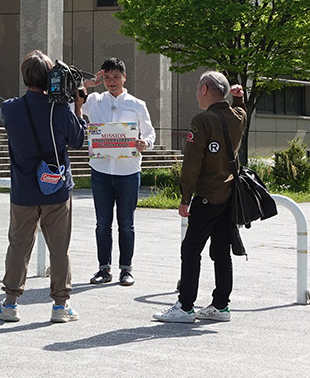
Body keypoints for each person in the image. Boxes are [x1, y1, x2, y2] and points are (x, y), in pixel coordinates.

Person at [0, 50, 87, 324]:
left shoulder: (10, 108)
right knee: (59, 247)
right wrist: (77, 105)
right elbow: (78, 141)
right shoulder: (62, 110)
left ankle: (10, 303)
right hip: (56, 189)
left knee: (19, 245)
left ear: (24, 77)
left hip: (24, 190)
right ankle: (60, 306)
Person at [154, 71, 246, 324]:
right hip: (228, 194)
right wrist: (238, 99)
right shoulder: (237, 116)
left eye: (198, 87)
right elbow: (241, 112)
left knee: (191, 249)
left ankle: (185, 306)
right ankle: (221, 305)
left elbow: (192, 163)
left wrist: (185, 197)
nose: (196, 91)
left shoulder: (202, 120)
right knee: (221, 251)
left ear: (205, 89)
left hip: (206, 194)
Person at [81, 58, 156, 286]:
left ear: (124, 77)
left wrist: (145, 143)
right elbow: (73, 99)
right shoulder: (94, 100)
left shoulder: (137, 104)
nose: (111, 82)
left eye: (115, 77)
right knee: (103, 222)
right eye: (106, 77)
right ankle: (104, 268)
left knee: (126, 223)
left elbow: (150, 133)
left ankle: (126, 269)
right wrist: (88, 84)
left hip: (128, 172)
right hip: (101, 170)